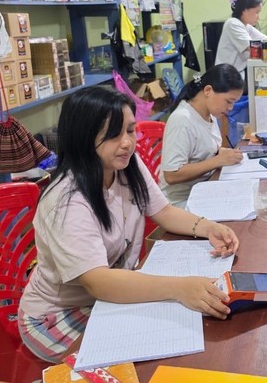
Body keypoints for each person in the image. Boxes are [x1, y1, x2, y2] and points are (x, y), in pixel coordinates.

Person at [18, 87, 239, 362]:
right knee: (141, 359)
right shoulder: (66, 201)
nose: (127, 143)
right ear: (83, 137)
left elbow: (164, 211)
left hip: (104, 297)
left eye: (131, 131)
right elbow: (98, 282)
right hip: (58, 315)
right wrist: (180, 288)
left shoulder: (125, 164)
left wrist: (208, 227)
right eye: (114, 134)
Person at [161, 64, 245, 207]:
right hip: (182, 201)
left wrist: (221, 152)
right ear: (208, 91)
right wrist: (218, 160)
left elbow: (204, 149)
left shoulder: (210, 113)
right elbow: (172, 175)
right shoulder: (182, 120)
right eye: (229, 101)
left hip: (204, 189)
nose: (230, 108)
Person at [214, 0, 267, 79]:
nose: (258, 17)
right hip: (225, 77)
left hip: (236, 74)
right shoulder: (233, 24)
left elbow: (266, 39)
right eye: (256, 12)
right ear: (244, 10)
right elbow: (253, 48)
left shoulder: (246, 26)